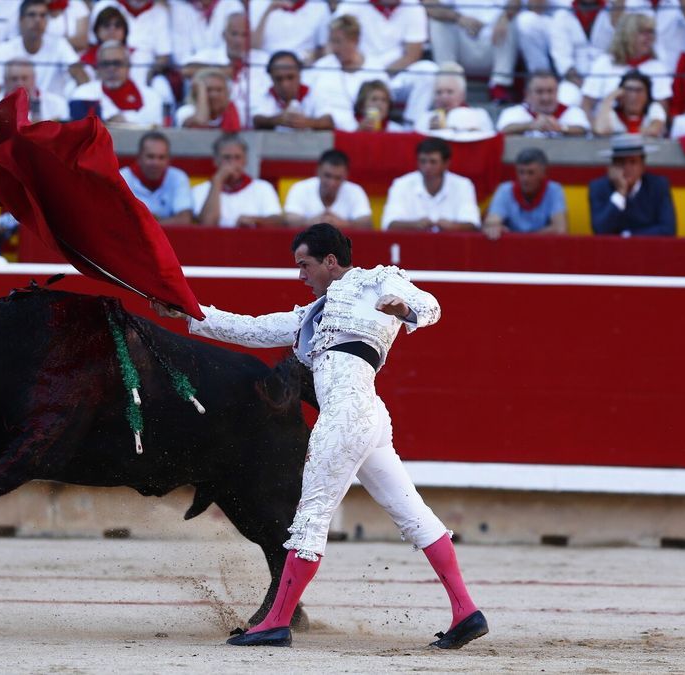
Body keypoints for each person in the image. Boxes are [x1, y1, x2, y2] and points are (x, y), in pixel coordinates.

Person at [151, 223, 488, 651]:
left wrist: (403, 308)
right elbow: (249, 329)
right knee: (411, 513)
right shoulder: (308, 316)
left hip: (347, 412)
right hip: (366, 416)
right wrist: (187, 312)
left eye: (304, 265)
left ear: (330, 261)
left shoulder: (377, 279)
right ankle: (466, 612)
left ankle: (276, 622)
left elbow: (430, 305)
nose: (300, 275)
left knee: (310, 516)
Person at [182, 12, 268, 125]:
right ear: (224, 35)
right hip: (211, 116)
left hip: (253, 120)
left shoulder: (263, 60)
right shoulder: (209, 55)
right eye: (234, 34)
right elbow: (185, 70)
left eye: (244, 35)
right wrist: (223, 71)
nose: (239, 41)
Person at [306, 16, 392, 128]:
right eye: (332, 41)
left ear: (354, 40)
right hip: (322, 133)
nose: (334, 48)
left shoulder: (376, 70)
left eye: (338, 41)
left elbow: (383, 108)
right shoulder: (322, 66)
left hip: (361, 135)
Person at [0, 0, 81, 100]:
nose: (38, 20)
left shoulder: (60, 45)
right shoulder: (4, 50)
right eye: (32, 15)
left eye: (43, 15)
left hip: (51, 112)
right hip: (14, 112)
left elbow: (82, 77)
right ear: (21, 20)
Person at [425, 0, 519, 102]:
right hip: (461, 43)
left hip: (495, 42)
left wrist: (505, 16)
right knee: (438, 22)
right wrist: (458, 17)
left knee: (511, 21)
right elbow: (430, 6)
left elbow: (516, 3)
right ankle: (449, 82)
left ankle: (499, 86)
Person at [581, 13, 673, 116]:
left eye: (651, 32)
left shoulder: (658, 67)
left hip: (643, 129)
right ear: (626, 35)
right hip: (607, 127)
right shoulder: (604, 62)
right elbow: (587, 104)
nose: (649, 37)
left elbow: (662, 108)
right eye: (642, 32)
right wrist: (594, 128)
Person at [381, 137, 480, 232]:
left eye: (433, 162)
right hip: (412, 245)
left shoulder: (463, 185)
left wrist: (452, 226)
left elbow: (473, 224)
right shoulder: (401, 184)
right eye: (423, 161)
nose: (427, 167)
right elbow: (389, 224)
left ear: (446, 164)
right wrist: (414, 225)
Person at [588, 133, 676, 236]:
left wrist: (629, 236)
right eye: (621, 162)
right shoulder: (598, 188)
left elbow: (668, 230)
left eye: (633, 162)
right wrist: (620, 193)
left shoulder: (658, 186)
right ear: (612, 167)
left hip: (650, 251)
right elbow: (600, 230)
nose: (627, 168)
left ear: (643, 166)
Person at [192, 133, 283, 227]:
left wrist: (255, 220)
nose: (232, 163)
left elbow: (277, 222)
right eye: (226, 157)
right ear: (216, 161)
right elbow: (207, 225)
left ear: (245, 160)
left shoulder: (263, 188)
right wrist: (217, 181)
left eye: (237, 157)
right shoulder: (199, 190)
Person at [69, 41, 163, 126]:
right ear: (97, 68)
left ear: (128, 66)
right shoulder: (83, 94)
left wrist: (121, 122)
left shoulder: (151, 97)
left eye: (117, 63)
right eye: (106, 64)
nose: (111, 69)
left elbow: (152, 131)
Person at [482, 148, 567, 240]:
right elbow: (492, 222)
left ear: (543, 173)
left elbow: (560, 229)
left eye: (531, 173)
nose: (525, 178)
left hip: (543, 250)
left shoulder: (554, 190)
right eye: (521, 172)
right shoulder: (505, 190)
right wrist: (493, 226)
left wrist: (522, 240)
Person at [549, 0, 621, 107]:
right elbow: (562, 59)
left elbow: (618, 48)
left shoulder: (611, 11)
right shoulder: (562, 15)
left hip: (606, 77)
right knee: (565, 98)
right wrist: (585, 87)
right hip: (574, 81)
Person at [283, 150, 373, 230]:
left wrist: (343, 224)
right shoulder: (300, 188)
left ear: (346, 175)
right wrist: (321, 224)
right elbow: (289, 221)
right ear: (318, 171)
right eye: (327, 176)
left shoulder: (355, 191)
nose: (332, 183)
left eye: (338, 178)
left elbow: (367, 224)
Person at [119, 131, 194, 225]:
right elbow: (118, 220)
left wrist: (146, 226)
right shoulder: (122, 177)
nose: (156, 163)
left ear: (169, 159)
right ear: (139, 157)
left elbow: (184, 219)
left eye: (161, 157)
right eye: (150, 157)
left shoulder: (178, 177)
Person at [252, 51, 332, 131]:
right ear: (271, 77)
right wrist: (275, 120)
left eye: (290, 77)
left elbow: (328, 122)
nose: (285, 84)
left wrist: (308, 122)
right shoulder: (265, 95)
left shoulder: (313, 93)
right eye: (279, 79)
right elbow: (257, 120)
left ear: (300, 73)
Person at [496, 70, 591, 137]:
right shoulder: (513, 112)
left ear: (557, 92)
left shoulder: (573, 112)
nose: (545, 97)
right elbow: (504, 130)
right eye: (539, 91)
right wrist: (531, 125)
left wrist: (560, 128)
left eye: (550, 91)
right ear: (527, 94)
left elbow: (583, 130)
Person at [412, 63, 495, 139]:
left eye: (450, 92)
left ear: (462, 95)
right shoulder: (425, 118)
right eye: (439, 92)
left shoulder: (479, 116)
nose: (444, 97)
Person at [0, 58, 71, 125]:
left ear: (34, 79)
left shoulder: (57, 103)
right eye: (14, 79)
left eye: (24, 78)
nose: (19, 84)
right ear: (5, 81)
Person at [249, 0, 330, 63]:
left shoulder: (319, 6)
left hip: (305, 69)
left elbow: (325, 50)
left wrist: (314, 57)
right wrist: (269, 10)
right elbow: (254, 47)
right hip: (265, 67)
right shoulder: (257, 3)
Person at [592, 70, 667, 137]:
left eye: (639, 90)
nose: (634, 96)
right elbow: (600, 130)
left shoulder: (654, 108)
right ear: (620, 93)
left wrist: (622, 134)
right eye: (629, 90)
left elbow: (654, 130)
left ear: (647, 94)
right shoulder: (611, 113)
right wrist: (609, 98)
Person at [172, 0, 247, 67]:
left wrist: (201, 60)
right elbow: (182, 59)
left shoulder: (231, 4)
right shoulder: (180, 8)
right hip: (194, 77)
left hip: (227, 73)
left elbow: (231, 52)